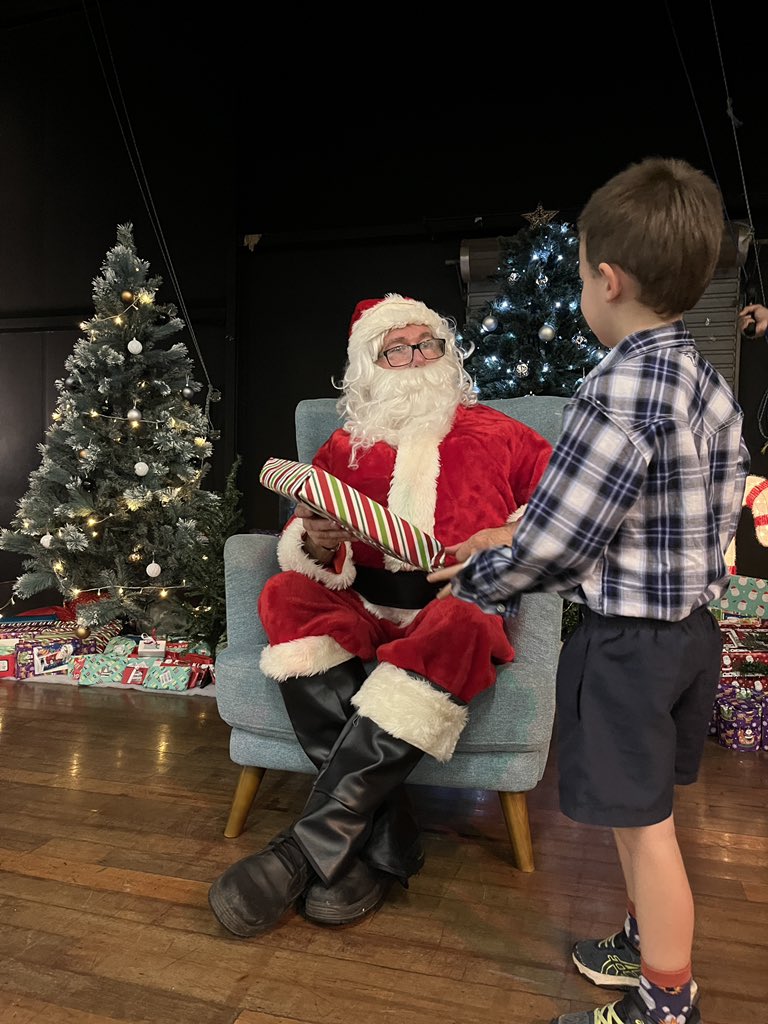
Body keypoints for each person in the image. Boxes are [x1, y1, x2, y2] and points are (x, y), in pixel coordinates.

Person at [428, 157, 750, 1024]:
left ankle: (665, 1000)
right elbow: (652, 509)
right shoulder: (704, 381)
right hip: (686, 636)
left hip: (628, 646)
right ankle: (644, 948)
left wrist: (482, 571)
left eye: (578, 273)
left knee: (645, 833)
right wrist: (511, 527)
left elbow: (565, 544)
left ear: (605, 279)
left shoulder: (615, 388)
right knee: (637, 810)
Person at [207, 292, 554, 936]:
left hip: (448, 606)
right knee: (284, 594)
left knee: (472, 618)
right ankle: (386, 829)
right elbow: (306, 539)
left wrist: (499, 540)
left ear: (448, 354)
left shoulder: (501, 433)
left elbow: (568, 509)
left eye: (428, 343)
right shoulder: (342, 446)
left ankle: (308, 849)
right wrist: (316, 541)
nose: (415, 356)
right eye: (396, 347)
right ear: (369, 362)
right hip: (363, 602)